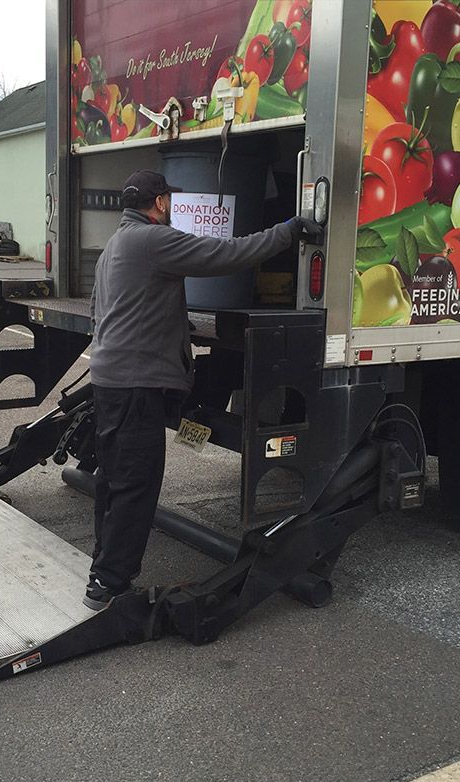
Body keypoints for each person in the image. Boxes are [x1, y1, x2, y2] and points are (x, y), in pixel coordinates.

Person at [84, 169, 322, 610]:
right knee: (136, 485)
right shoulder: (155, 241)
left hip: (110, 381)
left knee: (114, 480)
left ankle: (103, 568)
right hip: (137, 386)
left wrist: (171, 326)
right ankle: (109, 587)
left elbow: (106, 310)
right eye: (169, 200)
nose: (172, 207)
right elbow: (227, 254)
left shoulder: (113, 247)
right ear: (159, 203)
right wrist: (288, 231)